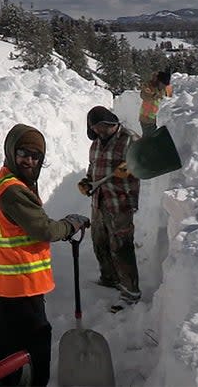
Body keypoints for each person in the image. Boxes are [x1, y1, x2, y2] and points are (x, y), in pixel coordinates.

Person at [0, 123, 89, 386]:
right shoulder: (14, 190)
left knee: (9, 342)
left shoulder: (11, 181)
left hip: (10, 285)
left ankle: (7, 381)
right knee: (37, 341)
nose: (30, 160)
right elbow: (43, 229)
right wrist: (70, 224)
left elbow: (30, 224)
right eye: (23, 153)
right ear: (11, 151)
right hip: (20, 285)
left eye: (36, 156)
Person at [77, 106, 142, 313]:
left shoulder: (130, 139)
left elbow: (147, 161)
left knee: (121, 247)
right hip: (99, 202)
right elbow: (92, 168)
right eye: (94, 128)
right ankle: (109, 279)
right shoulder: (96, 143)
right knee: (99, 242)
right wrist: (87, 182)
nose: (98, 131)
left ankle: (131, 292)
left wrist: (132, 168)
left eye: (101, 127)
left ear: (110, 122)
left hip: (120, 203)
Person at [139, 70, 173, 137]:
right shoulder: (149, 86)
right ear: (158, 81)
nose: (164, 86)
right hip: (147, 119)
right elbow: (144, 95)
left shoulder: (167, 88)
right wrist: (157, 95)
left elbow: (171, 99)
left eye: (165, 85)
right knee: (148, 139)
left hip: (159, 119)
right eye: (162, 84)